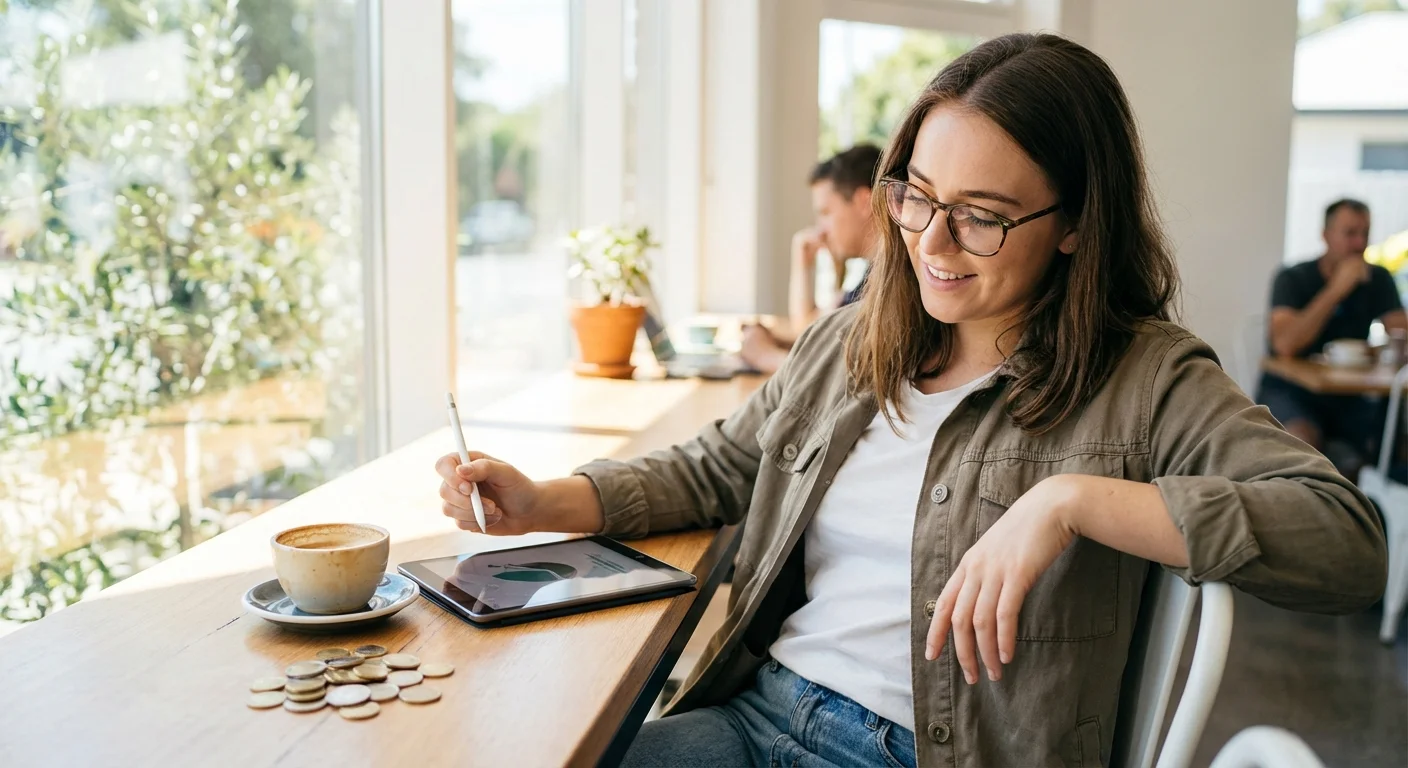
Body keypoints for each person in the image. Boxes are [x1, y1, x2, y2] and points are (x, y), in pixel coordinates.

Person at [436, 34, 1386, 767]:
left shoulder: (1147, 377)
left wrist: (1074, 501)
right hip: (761, 713)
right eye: (916, 196)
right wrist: (548, 501)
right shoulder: (859, 337)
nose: (933, 242)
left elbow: (1344, 540)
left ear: (1075, 224)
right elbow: (727, 462)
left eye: (981, 216)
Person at [1259, 199, 1408, 471]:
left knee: (1390, 437)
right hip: (1292, 390)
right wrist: (1336, 289)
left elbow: (1401, 335)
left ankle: (1359, 502)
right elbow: (1284, 345)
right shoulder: (1293, 278)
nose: (1359, 243)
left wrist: (1383, 346)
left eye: (1365, 233)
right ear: (1325, 235)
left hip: (1351, 394)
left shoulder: (1377, 279)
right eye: (1350, 233)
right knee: (1301, 441)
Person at [739, 144, 882, 374]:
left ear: (864, 202)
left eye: (826, 213)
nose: (820, 229)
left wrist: (765, 355)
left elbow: (846, 376)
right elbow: (810, 332)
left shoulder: (890, 283)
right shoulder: (873, 273)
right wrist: (803, 265)